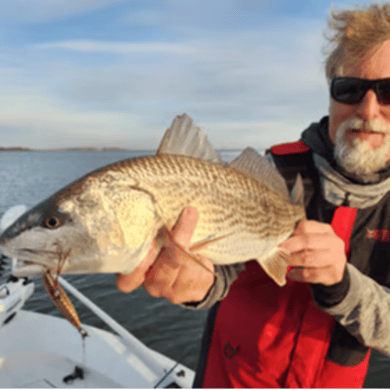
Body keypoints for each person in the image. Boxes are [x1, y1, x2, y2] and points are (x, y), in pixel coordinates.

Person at [117, 3, 390, 388]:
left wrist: (343, 284)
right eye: (349, 89)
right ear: (330, 95)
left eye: (388, 91)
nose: (368, 108)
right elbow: (222, 267)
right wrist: (197, 283)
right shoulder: (276, 169)